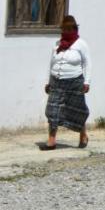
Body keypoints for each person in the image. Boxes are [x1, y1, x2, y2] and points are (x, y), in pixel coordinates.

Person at [43, 15, 90, 150]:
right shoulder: (57, 44)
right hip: (56, 81)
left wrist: (87, 82)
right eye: (63, 29)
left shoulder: (81, 44)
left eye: (69, 28)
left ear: (74, 28)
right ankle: (51, 140)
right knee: (52, 110)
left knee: (77, 110)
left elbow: (88, 64)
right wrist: (48, 82)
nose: (66, 31)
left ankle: (83, 135)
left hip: (74, 81)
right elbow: (51, 63)